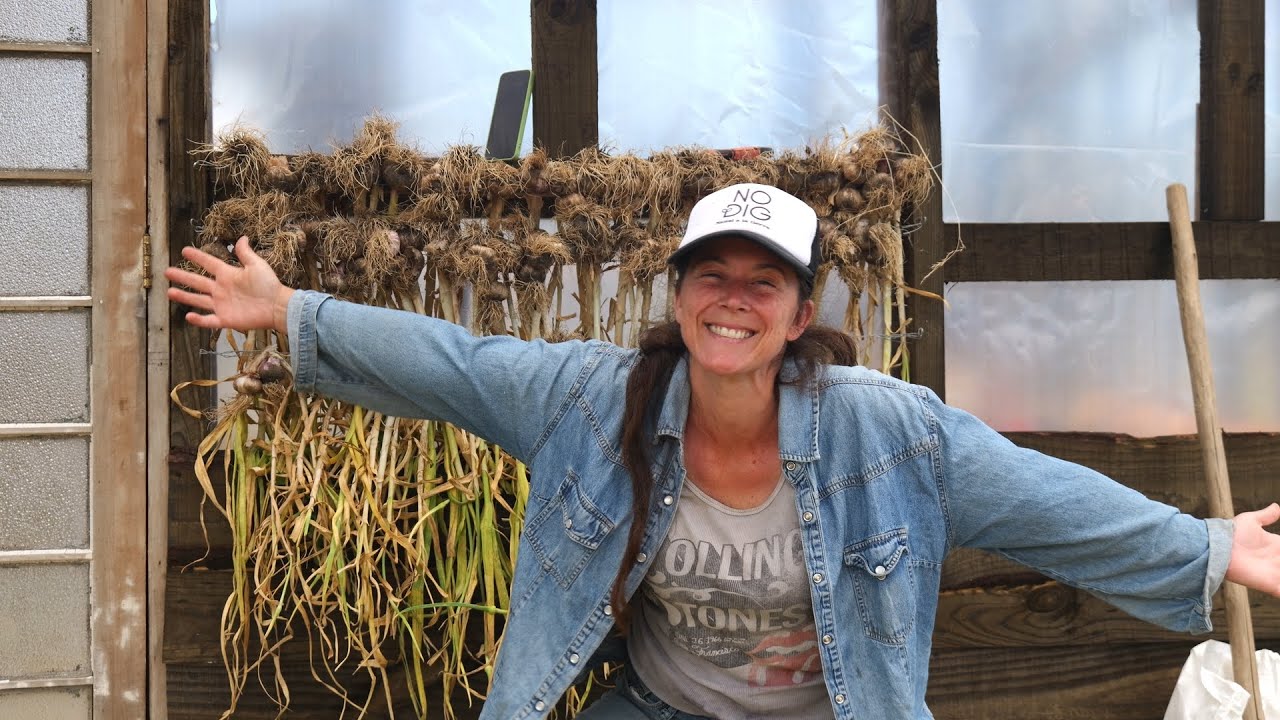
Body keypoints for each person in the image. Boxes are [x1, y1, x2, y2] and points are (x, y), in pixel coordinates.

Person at [166, 183, 1280, 719]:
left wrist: (1203, 548)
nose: (733, 300)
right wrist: (293, 313)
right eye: (713, 275)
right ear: (680, 295)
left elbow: (1037, 498)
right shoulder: (588, 399)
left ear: (798, 315)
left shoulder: (880, 428)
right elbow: (452, 363)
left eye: (764, 283)